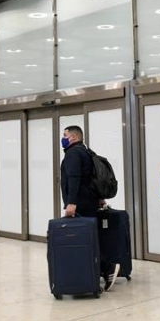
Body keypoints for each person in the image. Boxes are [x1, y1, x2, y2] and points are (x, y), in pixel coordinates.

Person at [60, 125, 120, 292]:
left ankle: (107, 268)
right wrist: (99, 198)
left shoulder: (72, 153)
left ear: (72, 137)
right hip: (90, 202)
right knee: (90, 238)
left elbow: (74, 178)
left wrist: (71, 203)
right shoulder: (86, 151)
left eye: (65, 135)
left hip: (80, 203)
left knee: (84, 240)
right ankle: (97, 272)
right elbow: (92, 178)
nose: (63, 138)